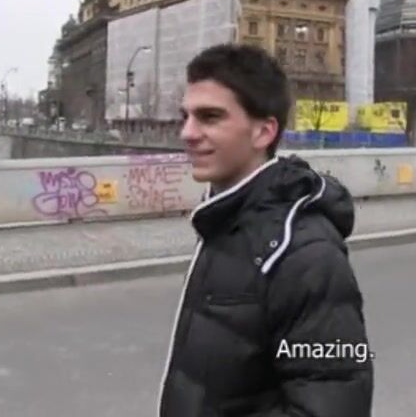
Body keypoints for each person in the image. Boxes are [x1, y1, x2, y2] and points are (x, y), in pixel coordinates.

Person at [158, 43, 374, 416]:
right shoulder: (224, 221)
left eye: (209, 117)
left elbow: (334, 401)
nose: (187, 133)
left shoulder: (308, 253)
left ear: (263, 132)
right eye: (186, 116)